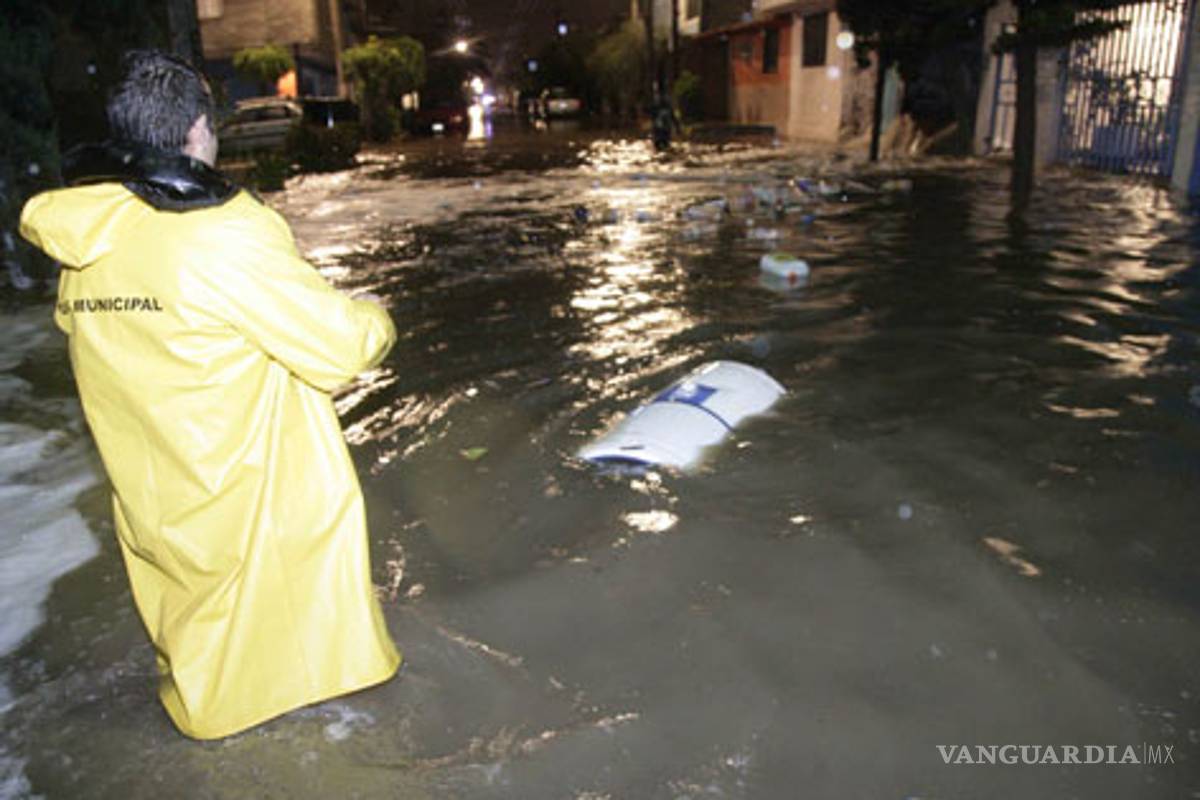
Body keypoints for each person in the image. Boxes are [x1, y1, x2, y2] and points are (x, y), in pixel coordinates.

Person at [19, 50, 401, 739]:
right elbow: (341, 348)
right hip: (246, 493)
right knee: (300, 677)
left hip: (154, 490)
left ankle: (206, 714)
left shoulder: (85, 243)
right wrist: (374, 312)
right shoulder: (223, 233)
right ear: (198, 130)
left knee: (196, 627)